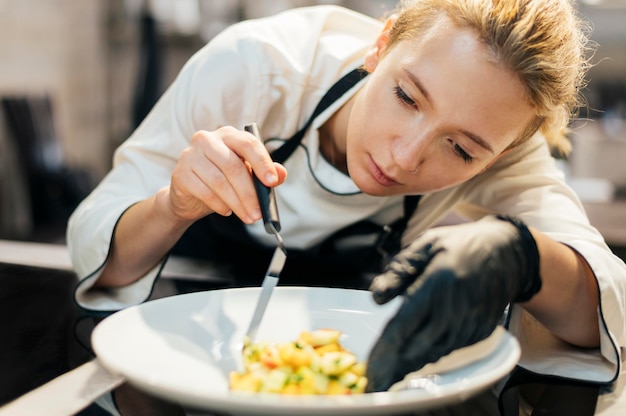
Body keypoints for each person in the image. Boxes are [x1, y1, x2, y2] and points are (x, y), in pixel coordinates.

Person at [67, 0, 625, 411]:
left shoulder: (506, 150)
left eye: (458, 148)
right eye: (406, 96)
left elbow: (607, 305)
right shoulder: (257, 66)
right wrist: (174, 205)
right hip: (187, 334)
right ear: (381, 45)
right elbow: (99, 253)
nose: (404, 157)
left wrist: (522, 259)